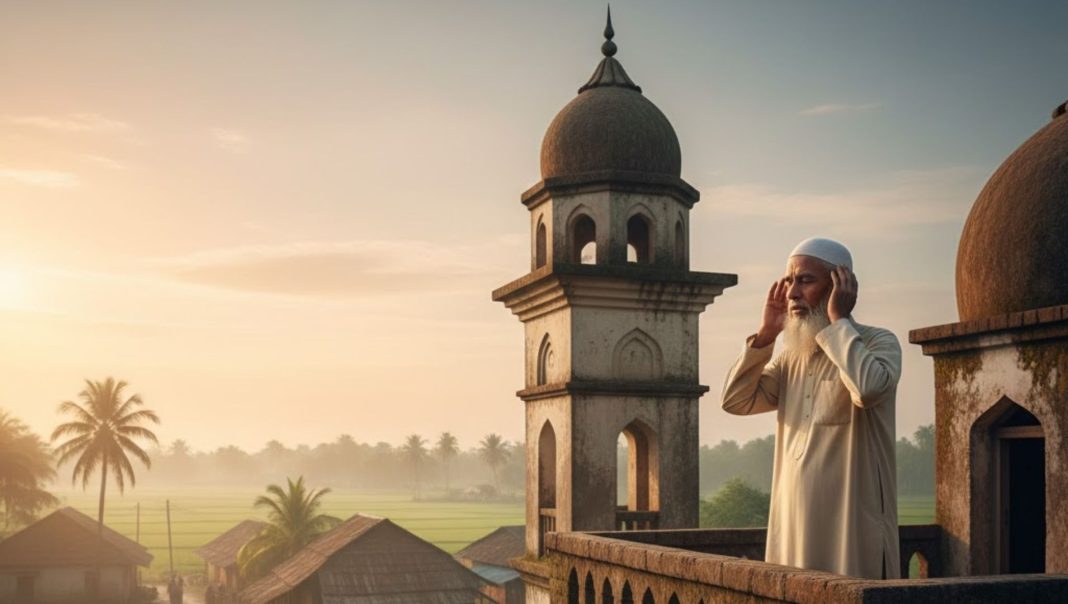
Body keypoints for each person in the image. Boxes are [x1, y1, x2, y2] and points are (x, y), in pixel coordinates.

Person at [721, 237, 901, 579]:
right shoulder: (792, 358)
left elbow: (868, 389)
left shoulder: (878, 343)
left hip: (851, 531)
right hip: (791, 529)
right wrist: (765, 336)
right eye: (789, 281)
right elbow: (735, 400)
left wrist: (838, 323)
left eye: (804, 280)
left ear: (838, 286)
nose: (791, 294)